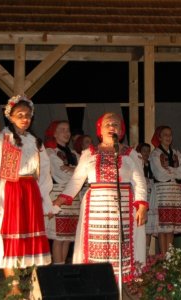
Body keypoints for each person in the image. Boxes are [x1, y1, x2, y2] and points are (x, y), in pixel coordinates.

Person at [53, 112, 147, 282]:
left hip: (124, 207)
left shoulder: (130, 154)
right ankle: (97, 280)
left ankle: (123, 281)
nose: (112, 127)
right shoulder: (88, 153)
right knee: (97, 243)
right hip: (96, 207)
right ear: (100, 130)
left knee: (122, 243)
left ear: (121, 130)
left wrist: (142, 205)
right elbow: (76, 180)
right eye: (108, 124)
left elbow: (139, 181)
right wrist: (59, 200)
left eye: (116, 124)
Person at [0, 95, 57, 295]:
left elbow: (44, 173)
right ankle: (13, 287)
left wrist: (45, 201)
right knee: (12, 239)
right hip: (12, 192)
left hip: (30, 192)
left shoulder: (35, 142)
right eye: (20, 115)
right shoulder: (2, 140)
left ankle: (33, 286)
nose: (25, 119)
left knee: (32, 238)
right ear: (11, 117)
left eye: (28, 116)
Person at [150, 126, 181, 254]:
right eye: (165, 135)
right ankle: (164, 257)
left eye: (170, 135)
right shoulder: (155, 154)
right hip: (162, 192)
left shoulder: (176, 153)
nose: (168, 137)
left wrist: (172, 170)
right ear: (160, 137)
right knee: (164, 227)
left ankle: (169, 257)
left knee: (171, 227)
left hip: (174, 192)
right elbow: (160, 174)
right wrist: (178, 173)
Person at [44, 121, 80, 265]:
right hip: (59, 194)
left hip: (73, 197)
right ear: (54, 133)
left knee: (68, 237)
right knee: (59, 237)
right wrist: (77, 170)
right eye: (62, 130)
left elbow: (85, 173)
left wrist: (72, 169)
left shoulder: (73, 153)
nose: (66, 133)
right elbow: (61, 174)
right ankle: (57, 268)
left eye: (68, 130)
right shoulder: (50, 152)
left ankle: (63, 265)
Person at [136, 143, 157, 255]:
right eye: (144, 151)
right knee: (140, 227)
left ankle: (146, 254)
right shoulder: (137, 163)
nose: (146, 153)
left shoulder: (150, 165)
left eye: (148, 151)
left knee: (148, 229)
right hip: (140, 198)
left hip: (149, 197)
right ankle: (139, 254)